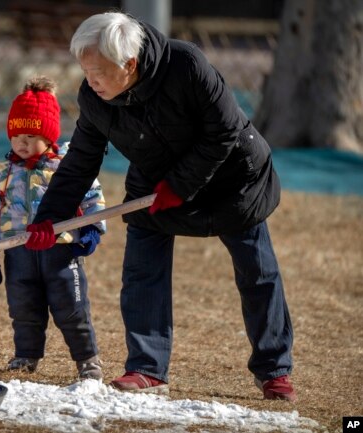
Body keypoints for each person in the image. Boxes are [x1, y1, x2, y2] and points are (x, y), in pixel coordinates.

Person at [24, 12, 296, 401]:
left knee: (257, 271)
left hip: (232, 180)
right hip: (156, 186)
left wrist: (181, 185)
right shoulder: (95, 97)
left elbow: (223, 132)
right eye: (85, 70)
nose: (90, 80)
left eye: (98, 71)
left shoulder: (186, 66)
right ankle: (147, 367)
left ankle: (274, 370)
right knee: (141, 271)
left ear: (129, 64)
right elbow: (82, 160)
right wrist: (50, 217)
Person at [0, 76, 107, 380]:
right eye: (16, 134)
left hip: (59, 251)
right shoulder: (1, 173)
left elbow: (92, 197)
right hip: (17, 251)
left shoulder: (66, 167)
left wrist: (92, 229)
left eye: (31, 134)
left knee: (71, 308)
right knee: (23, 309)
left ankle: (87, 360)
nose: (22, 141)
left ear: (49, 137)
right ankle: (26, 355)